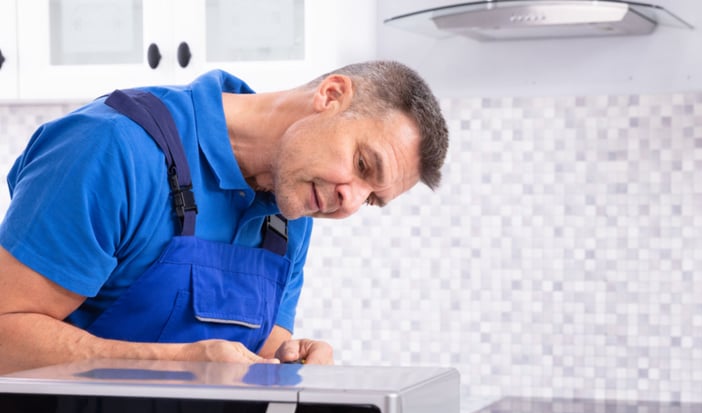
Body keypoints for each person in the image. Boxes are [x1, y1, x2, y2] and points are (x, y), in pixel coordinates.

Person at [0, 61, 449, 373]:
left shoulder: (291, 211)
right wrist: (176, 365)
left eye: (370, 200)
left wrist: (289, 360)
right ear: (331, 95)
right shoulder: (112, 148)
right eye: (363, 165)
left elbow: (251, 356)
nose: (349, 202)